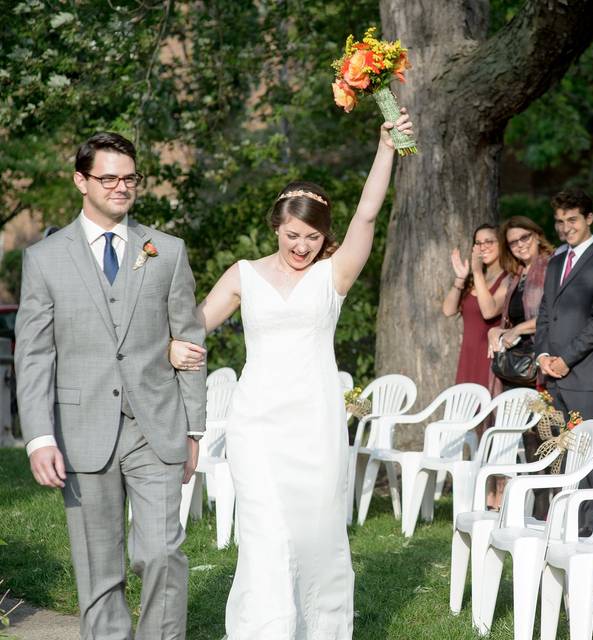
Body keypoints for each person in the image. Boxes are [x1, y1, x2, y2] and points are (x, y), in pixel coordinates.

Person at [169, 113, 415, 638]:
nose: (302, 246)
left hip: (315, 422)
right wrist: (173, 344)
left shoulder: (334, 275)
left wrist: (385, 147)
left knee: (316, 535)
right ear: (276, 227)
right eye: (293, 234)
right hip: (255, 422)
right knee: (267, 534)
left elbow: (368, 216)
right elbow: (193, 326)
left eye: (312, 236)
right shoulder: (243, 275)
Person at [15, 132, 207, 639]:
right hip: (80, 431)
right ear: (82, 181)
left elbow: (188, 343)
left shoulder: (166, 251)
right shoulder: (44, 259)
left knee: (163, 552)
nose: (121, 187)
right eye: (108, 178)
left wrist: (194, 431)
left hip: (156, 427)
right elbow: (33, 355)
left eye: (129, 178)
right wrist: (39, 437)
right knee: (99, 569)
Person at [534, 188, 593, 534]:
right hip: (554, 373)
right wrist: (542, 355)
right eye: (559, 222)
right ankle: (565, 518)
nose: (565, 227)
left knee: (588, 451)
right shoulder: (556, 261)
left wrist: (566, 359)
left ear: (589, 219)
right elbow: (545, 313)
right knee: (562, 451)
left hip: (586, 373)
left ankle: (589, 527)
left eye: (572, 220)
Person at [487, 216, 553, 392]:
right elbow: (493, 312)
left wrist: (517, 330)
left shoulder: (553, 266)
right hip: (514, 364)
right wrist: (496, 331)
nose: (520, 245)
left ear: (537, 236)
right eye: (513, 242)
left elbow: (554, 317)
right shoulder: (515, 276)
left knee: (543, 419)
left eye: (525, 237)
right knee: (512, 418)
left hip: (542, 361)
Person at [442, 224, 507, 388]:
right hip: (467, 357)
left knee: (486, 410)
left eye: (489, 241)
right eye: (478, 243)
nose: (483, 247)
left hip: (490, 358)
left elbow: (489, 312)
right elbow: (448, 310)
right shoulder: (474, 279)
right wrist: (460, 278)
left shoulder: (508, 278)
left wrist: (477, 272)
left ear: (500, 243)